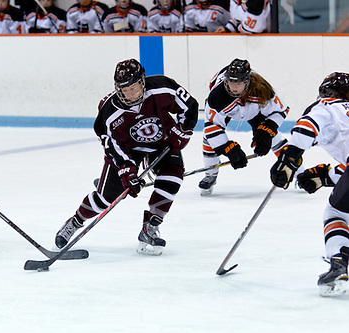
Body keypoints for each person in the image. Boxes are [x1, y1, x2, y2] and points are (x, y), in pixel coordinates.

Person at [54, 59, 199, 256]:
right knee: (105, 198)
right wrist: (127, 172)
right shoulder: (108, 112)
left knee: (172, 177)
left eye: (133, 88)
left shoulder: (163, 87)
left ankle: (150, 227)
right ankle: (75, 222)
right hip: (128, 151)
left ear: (142, 82)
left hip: (162, 143)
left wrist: (181, 132)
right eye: (124, 89)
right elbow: (113, 148)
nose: (129, 94)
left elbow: (190, 107)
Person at [270, 72, 349, 297]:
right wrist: (324, 176)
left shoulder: (325, 106)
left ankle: (339, 264)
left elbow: (307, 126)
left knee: (337, 214)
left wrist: (289, 158)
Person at [198, 58, 290, 196]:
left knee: (273, 137)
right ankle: (210, 174)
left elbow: (280, 110)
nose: (234, 87)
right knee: (208, 139)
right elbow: (212, 126)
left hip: (254, 110)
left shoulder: (262, 89)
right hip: (230, 110)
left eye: (239, 83)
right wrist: (227, 148)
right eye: (231, 81)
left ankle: (298, 172)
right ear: (225, 80)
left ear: (247, 82)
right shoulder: (217, 96)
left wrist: (266, 131)